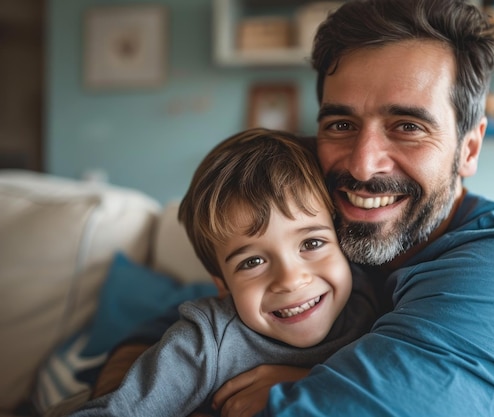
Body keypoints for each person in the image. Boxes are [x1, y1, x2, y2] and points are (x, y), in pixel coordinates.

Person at [90, 0, 494, 416]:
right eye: (340, 124)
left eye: (407, 126)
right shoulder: (339, 225)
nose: (362, 165)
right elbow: (193, 314)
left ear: (468, 149)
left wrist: (281, 387)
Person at [66, 128, 386, 417]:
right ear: (222, 284)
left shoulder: (365, 290)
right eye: (252, 262)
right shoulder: (205, 344)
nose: (290, 279)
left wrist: (311, 379)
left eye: (312, 242)